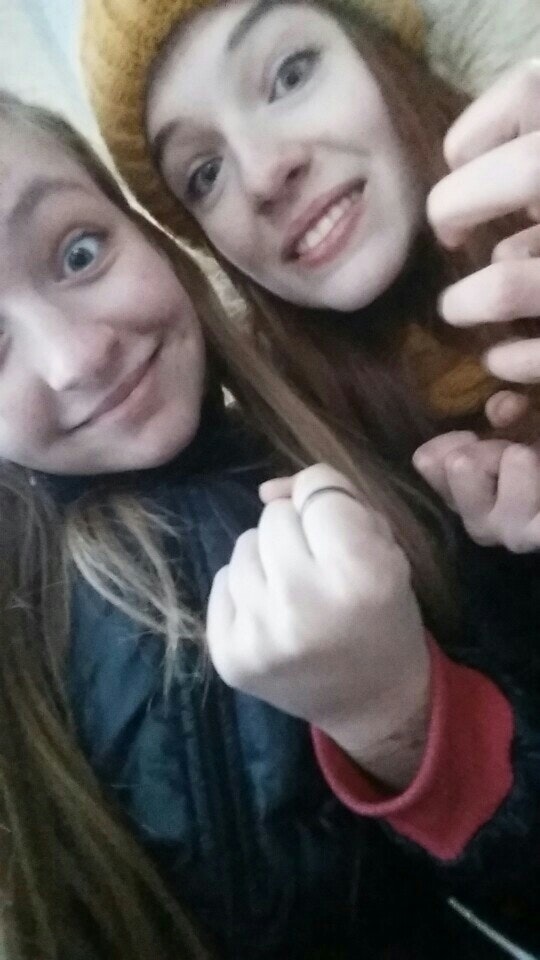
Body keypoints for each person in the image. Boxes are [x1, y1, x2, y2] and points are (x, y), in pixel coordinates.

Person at [2, 90, 523, 960]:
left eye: (79, 252)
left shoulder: (285, 432)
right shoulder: (143, 612)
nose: (76, 357)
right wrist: (397, 714)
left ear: (145, 232)